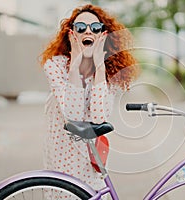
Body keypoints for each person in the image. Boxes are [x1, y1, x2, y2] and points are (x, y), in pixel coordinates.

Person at [40, 3, 138, 198]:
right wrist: (75, 65)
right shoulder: (55, 66)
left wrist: (100, 67)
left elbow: (99, 117)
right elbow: (73, 115)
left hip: (91, 154)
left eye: (95, 28)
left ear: (103, 34)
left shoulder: (110, 72)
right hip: (62, 151)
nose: (88, 31)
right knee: (65, 193)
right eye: (81, 27)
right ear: (72, 34)